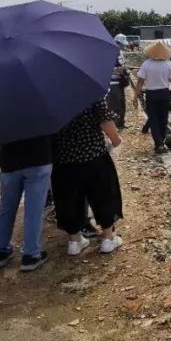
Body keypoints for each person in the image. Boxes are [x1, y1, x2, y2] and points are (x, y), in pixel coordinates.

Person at [51, 100, 124, 256]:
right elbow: (105, 119)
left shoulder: (49, 98)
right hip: (93, 156)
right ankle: (108, 239)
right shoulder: (89, 93)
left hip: (63, 161)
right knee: (104, 195)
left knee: (68, 199)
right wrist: (116, 139)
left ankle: (74, 241)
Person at [0, 135, 52, 271]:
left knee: (6, 207)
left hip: (9, 160)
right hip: (38, 157)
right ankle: (31, 254)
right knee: (34, 210)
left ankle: (0, 251)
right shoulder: (40, 112)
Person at [132, 41, 171, 154]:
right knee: (163, 118)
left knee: (153, 119)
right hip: (164, 94)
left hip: (151, 94)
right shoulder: (169, 64)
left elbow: (140, 82)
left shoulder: (147, 64)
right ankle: (161, 141)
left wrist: (135, 96)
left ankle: (159, 144)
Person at [106, 59, 131, 129]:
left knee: (115, 104)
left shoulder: (115, 58)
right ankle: (117, 123)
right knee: (117, 105)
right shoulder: (111, 59)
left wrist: (122, 70)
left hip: (115, 85)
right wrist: (119, 70)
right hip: (114, 85)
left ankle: (117, 123)